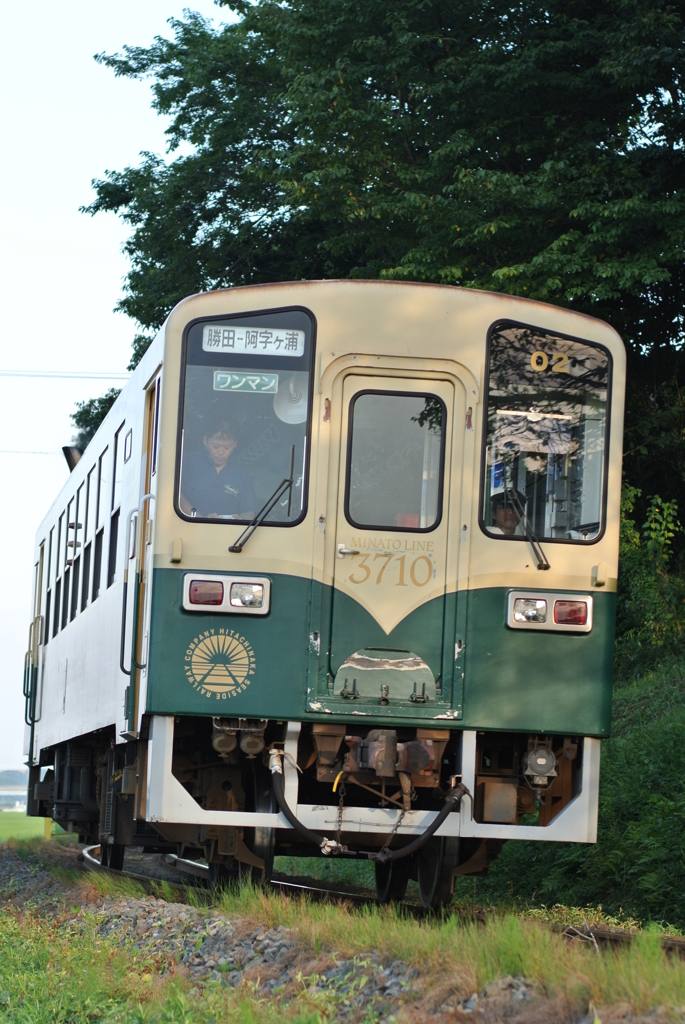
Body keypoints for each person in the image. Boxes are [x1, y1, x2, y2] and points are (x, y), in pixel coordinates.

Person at [180, 418, 257, 520]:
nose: (220, 452)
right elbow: (176, 496)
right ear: (205, 440)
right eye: (215, 446)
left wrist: (242, 521)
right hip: (192, 528)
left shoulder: (241, 474)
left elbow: (249, 510)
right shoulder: (188, 463)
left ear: (235, 444)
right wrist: (200, 519)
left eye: (227, 447)